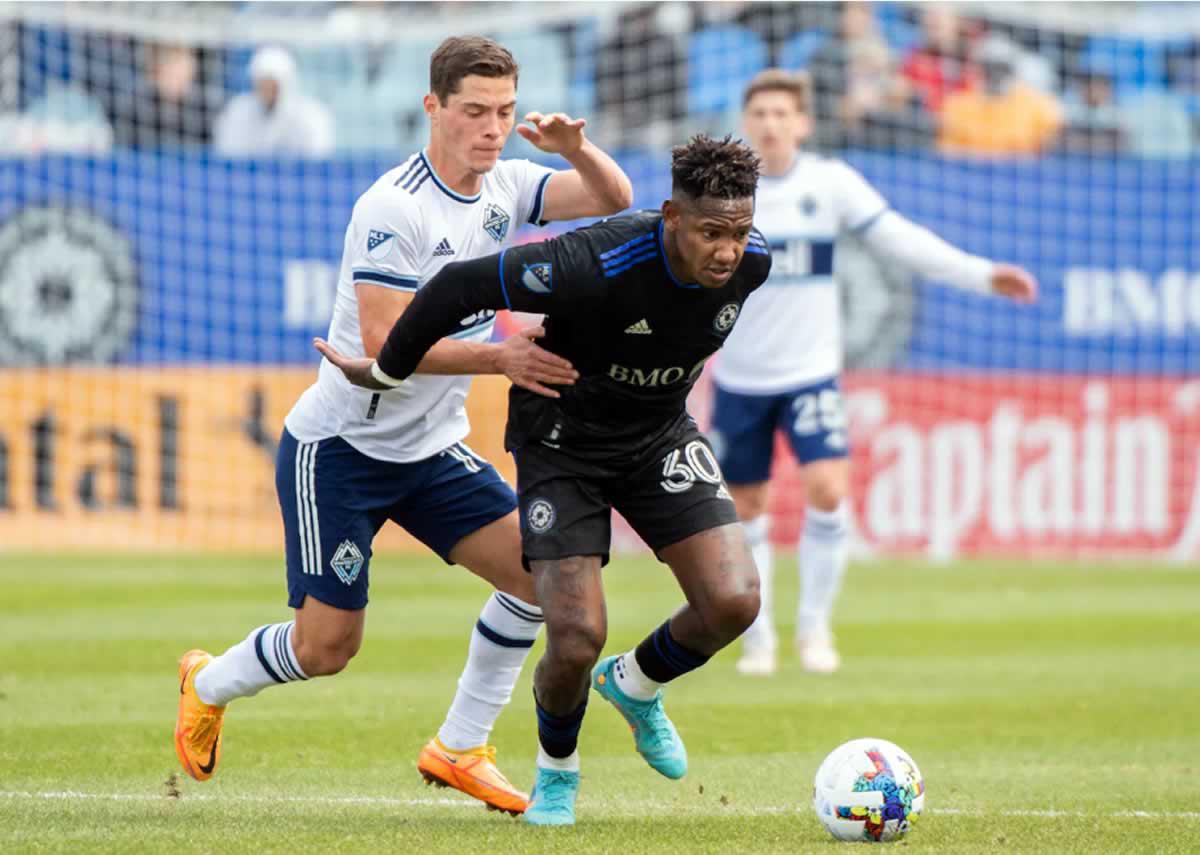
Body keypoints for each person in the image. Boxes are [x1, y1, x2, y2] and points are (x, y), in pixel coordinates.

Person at [173, 35, 633, 816]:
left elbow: (613, 199)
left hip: (428, 449)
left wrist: (578, 151)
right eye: (475, 112)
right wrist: (502, 361)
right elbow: (389, 344)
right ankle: (206, 680)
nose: (493, 129)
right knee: (327, 648)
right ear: (434, 108)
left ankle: (460, 745)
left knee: (542, 580)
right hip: (341, 449)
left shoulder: (508, 185)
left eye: (506, 113)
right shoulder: (394, 207)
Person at [316, 134, 772, 826]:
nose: (727, 251)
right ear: (671, 216)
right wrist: (387, 369)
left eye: (738, 233)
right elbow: (455, 286)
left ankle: (636, 685)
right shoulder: (595, 260)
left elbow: (724, 273)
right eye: (711, 232)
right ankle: (557, 772)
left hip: (656, 436)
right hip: (563, 441)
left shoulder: (754, 263)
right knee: (577, 631)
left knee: (735, 600)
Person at [715, 69, 1037, 677]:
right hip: (741, 379)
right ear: (745, 122)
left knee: (829, 490)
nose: (771, 124)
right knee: (747, 508)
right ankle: (758, 641)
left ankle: (813, 629)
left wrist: (980, 273)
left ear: (803, 123)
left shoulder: (830, 183)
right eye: (760, 114)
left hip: (810, 373)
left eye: (783, 114)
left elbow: (900, 239)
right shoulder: (728, 194)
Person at [939, 36, 1062, 156]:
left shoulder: (1039, 107)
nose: (995, 74)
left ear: (1012, 69)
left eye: (1001, 67)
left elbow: (1050, 151)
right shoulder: (958, 106)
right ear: (981, 69)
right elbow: (949, 154)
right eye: (989, 67)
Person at [214, 46, 335, 157]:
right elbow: (228, 153)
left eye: (272, 84)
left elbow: (318, 157)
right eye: (262, 83)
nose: (267, 90)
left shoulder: (311, 116)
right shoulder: (237, 112)